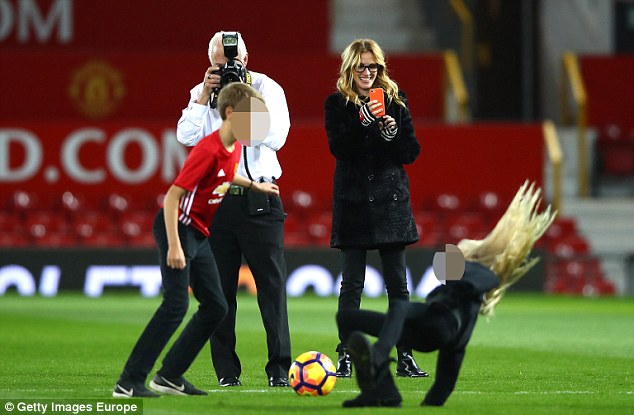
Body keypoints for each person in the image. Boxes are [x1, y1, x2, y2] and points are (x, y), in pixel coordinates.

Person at [113, 83, 280, 398]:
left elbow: (225, 176)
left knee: (216, 306)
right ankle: (129, 380)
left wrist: (254, 186)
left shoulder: (234, 148)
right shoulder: (208, 148)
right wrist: (175, 245)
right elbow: (173, 196)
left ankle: (170, 376)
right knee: (175, 305)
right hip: (178, 228)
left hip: (199, 233)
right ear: (231, 113)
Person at [337, 182, 556, 407]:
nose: (460, 248)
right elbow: (447, 378)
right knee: (347, 318)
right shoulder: (466, 290)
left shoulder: (476, 275)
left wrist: (470, 280)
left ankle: (379, 358)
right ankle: (385, 392)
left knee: (399, 308)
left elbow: (483, 278)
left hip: (437, 321)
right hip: (436, 333)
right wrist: (431, 404)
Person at [176, 31, 292, 388]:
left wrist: (245, 99)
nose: (226, 68)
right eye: (218, 63)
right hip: (217, 203)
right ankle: (226, 373)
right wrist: (203, 97)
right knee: (218, 293)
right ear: (210, 62)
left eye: (232, 61)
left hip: (261, 201)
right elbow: (186, 136)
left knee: (272, 290)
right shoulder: (204, 92)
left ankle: (278, 370)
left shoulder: (267, 88)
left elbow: (274, 137)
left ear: (246, 57)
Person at [324, 38, 427, 378]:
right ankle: (347, 355)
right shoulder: (337, 104)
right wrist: (362, 121)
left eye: (374, 67)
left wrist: (392, 134)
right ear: (349, 69)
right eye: (361, 67)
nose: (368, 73)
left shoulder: (397, 102)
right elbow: (339, 148)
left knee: (398, 285)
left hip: (389, 201)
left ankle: (405, 354)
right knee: (351, 285)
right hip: (353, 202)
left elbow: (410, 153)